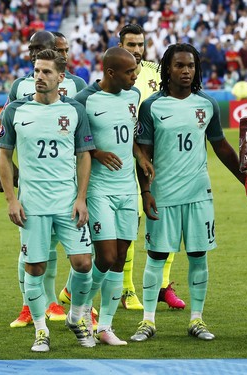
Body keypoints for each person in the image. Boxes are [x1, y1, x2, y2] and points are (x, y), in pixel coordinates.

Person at [131, 43, 245, 342]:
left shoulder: (206, 104)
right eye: (179, 65)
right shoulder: (152, 106)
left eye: (191, 66)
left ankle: (197, 319)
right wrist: (146, 192)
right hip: (163, 193)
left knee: (198, 256)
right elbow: (143, 154)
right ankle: (147, 322)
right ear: (167, 68)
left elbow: (221, 146)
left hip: (198, 194)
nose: (185, 71)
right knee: (156, 255)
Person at [0, 49, 96, 352]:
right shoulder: (15, 111)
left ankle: (76, 316)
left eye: (47, 72)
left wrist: (81, 198)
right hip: (33, 205)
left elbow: (84, 156)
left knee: (84, 263)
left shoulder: (74, 111)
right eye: (37, 71)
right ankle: (41, 330)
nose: (40, 76)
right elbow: (3, 156)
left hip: (67, 203)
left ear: (61, 78)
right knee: (35, 268)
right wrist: (12, 200)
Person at [74, 47, 154, 345]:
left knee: (120, 258)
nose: (135, 76)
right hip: (98, 189)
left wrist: (140, 155)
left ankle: (105, 326)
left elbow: (129, 136)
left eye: (135, 70)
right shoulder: (85, 101)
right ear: (110, 73)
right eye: (130, 72)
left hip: (126, 188)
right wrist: (95, 151)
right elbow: (70, 139)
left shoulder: (133, 96)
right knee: (105, 257)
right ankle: (80, 309)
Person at [0, 30, 70, 329]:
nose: (32, 52)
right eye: (31, 49)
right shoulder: (19, 86)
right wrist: (8, 169)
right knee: (30, 246)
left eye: (39, 48)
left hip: (63, 181)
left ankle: (56, 301)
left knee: (58, 248)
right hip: (31, 181)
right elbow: (6, 126)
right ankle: (30, 305)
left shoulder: (73, 83)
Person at [117, 23, 186, 311]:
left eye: (140, 44)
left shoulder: (157, 73)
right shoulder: (114, 74)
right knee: (130, 224)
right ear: (120, 45)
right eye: (130, 44)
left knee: (165, 218)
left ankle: (162, 285)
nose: (136, 50)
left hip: (160, 158)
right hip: (125, 159)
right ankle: (126, 288)